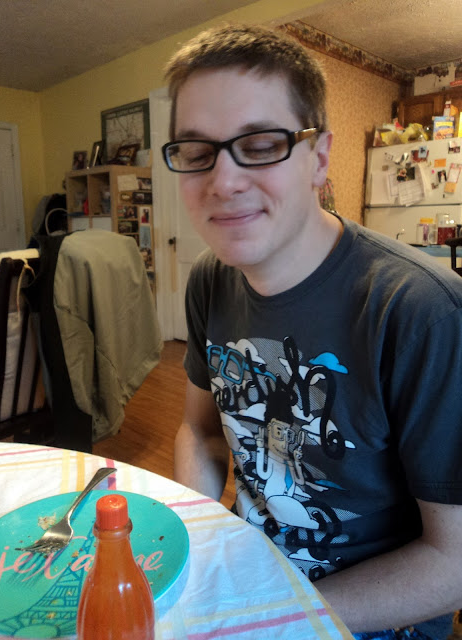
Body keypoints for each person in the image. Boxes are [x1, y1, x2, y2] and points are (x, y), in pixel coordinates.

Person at [161, 23, 462, 637]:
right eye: (195, 152)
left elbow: (453, 562)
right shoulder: (210, 280)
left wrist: (270, 618)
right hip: (249, 579)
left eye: (261, 144)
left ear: (319, 158)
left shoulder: (422, 313)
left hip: (372, 618)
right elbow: (200, 429)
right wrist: (198, 537)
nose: (223, 181)